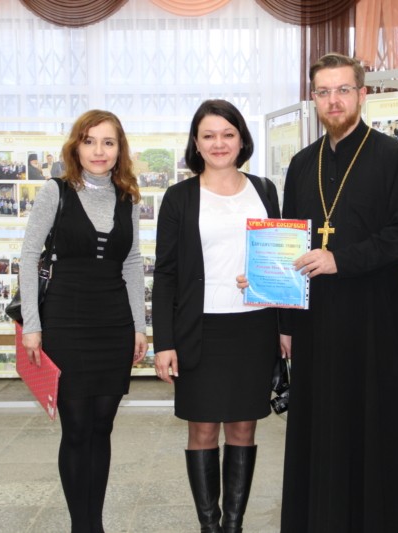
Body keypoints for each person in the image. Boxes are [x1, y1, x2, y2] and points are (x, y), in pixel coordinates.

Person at [278, 53, 398, 532]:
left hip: (373, 317)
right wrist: (284, 322)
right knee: (320, 424)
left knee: (374, 425)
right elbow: (289, 242)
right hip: (315, 320)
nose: (333, 100)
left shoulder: (393, 157)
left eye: (343, 90)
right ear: (314, 99)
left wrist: (340, 259)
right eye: (324, 92)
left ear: (362, 94)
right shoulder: (302, 164)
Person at [152, 99, 280, 533]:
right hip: (199, 329)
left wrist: (283, 326)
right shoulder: (179, 197)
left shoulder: (264, 190)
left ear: (242, 139)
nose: (219, 143)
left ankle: (233, 526)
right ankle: (210, 527)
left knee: (244, 428)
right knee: (203, 431)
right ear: (196, 142)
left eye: (228, 134)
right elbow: (165, 275)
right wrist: (164, 343)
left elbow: (281, 258)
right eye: (209, 135)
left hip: (254, 326)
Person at [20, 109, 148, 533]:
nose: (99, 150)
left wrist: (139, 326)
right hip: (65, 322)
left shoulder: (128, 197)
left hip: (114, 324)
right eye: (90, 141)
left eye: (108, 142)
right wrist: (33, 325)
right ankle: (83, 526)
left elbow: (132, 262)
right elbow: (28, 256)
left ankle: (96, 523)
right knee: (76, 428)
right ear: (76, 146)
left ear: (119, 149)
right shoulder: (54, 192)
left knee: (102, 427)